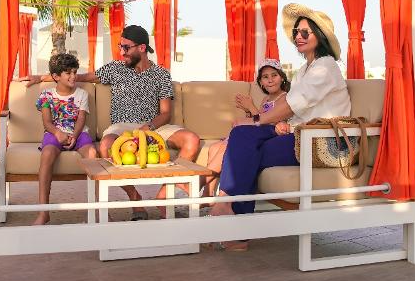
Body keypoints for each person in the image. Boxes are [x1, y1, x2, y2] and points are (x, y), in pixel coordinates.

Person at [210, 3, 351, 250]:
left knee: (249, 151)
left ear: (319, 35)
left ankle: (229, 213)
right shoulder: (304, 70)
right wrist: (277, 123)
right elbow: (292, 106)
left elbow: (294, 103)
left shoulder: (326, 66)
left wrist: (258, 119)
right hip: (298, 134)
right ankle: (227, 208)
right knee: (241, 134)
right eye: (296, 32)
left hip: (320, 141)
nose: (298, 36)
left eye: (305, 32)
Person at [26, 25, 200, 220]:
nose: (122, 52)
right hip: (122, 127)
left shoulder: (161, 74)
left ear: (142, 48)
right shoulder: (116, 68)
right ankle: (135, 198)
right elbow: (78, 76)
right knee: (106, 146)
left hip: (154, 126)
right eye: (120, 47)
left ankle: (165, 195)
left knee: (191, 140)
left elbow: (166, 113)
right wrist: (41, 77)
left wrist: (148, 127)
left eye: (126, 47)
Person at [201, 59, 291, 198]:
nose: (270, 80)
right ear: (261, 82)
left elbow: (269, 122)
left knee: (225, 148)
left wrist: (251, 106)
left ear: (282, 78)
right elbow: (258, 120)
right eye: (265, 77)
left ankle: (199, 181)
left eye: (274, 75)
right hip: (259, 132)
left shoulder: (284, 98)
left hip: (269, 136)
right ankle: (207, 194)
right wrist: (248, 111)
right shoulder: (266, 100)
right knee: (214, 147)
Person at [32, 53, 97, 226]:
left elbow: (81, 119)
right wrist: (58, 133)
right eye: (68, 73)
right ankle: (43, 212)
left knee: (92, 153)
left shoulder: (82, 94)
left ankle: (97, 210)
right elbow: (47, 122)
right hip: (54, 133)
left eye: (74, 72)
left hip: (78, 133)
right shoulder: (46, 95)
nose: (73, 76)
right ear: (56, 76)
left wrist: (74, 136)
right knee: (46, 154)